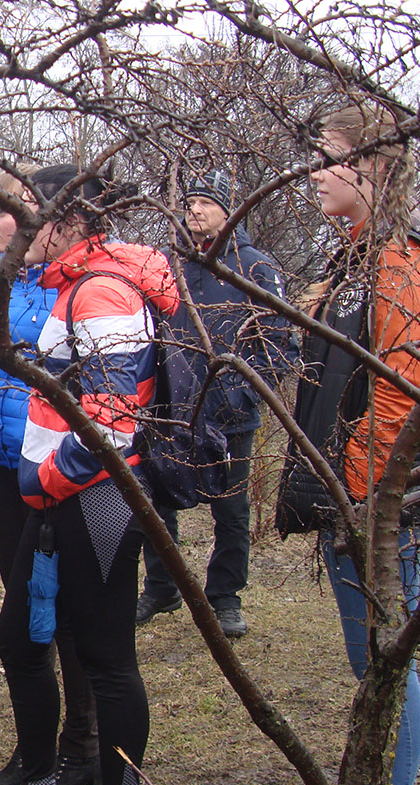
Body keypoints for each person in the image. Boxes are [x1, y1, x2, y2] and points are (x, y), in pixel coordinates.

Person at [276, 102, 420, 785]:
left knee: (386, 660)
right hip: (356, 493)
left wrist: (358, 501)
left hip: (378, 500)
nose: (315, 173)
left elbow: (400, 400)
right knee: (372, 658)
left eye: (329, 157)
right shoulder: (356, 256)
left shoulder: (401, 262)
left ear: (376, 164)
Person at [0, 164, 175, 785]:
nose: (4, 221)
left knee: (107, 661)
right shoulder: (70, 285)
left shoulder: (101, 292)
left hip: (95, 502)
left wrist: (46, 477)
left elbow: (113, 427)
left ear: (66, 219)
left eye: (23, 209)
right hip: (57, 498)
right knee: (20, 636)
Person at [0, 167, 99, 785]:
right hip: (5, 469)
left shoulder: (89, 288)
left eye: (4, 208)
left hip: (60, 475)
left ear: (55, 218)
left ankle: (81, 747)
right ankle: (36, 745)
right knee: (28, 610)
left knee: (58, 615)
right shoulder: (7, 285)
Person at [134, 170, 295, 638]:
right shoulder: (170, 265)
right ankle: (162, 587)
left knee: (231, 510)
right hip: (169, 412)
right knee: (156, 501)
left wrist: (234, 395)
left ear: (230, 210)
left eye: (206, 202)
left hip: (229, 417)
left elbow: (280, 348)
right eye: (190, 201)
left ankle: (225, 597)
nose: (195, 210)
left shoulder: (254, 268)